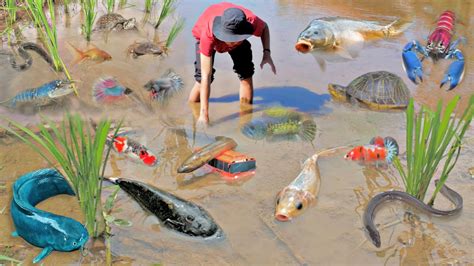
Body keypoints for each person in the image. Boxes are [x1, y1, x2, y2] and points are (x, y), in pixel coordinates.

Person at [189, 2, 277, 125]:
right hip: (210, 37)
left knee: (246, 74)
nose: (233, 43)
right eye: (230, 40)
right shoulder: (208, 33)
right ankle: (193, 112)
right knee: (200, 80)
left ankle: (245, 121)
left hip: (237, 31)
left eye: (236, 40)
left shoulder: (251, 20)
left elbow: (264, 28)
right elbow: (206, 76)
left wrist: (266, 53)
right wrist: (204, 115)